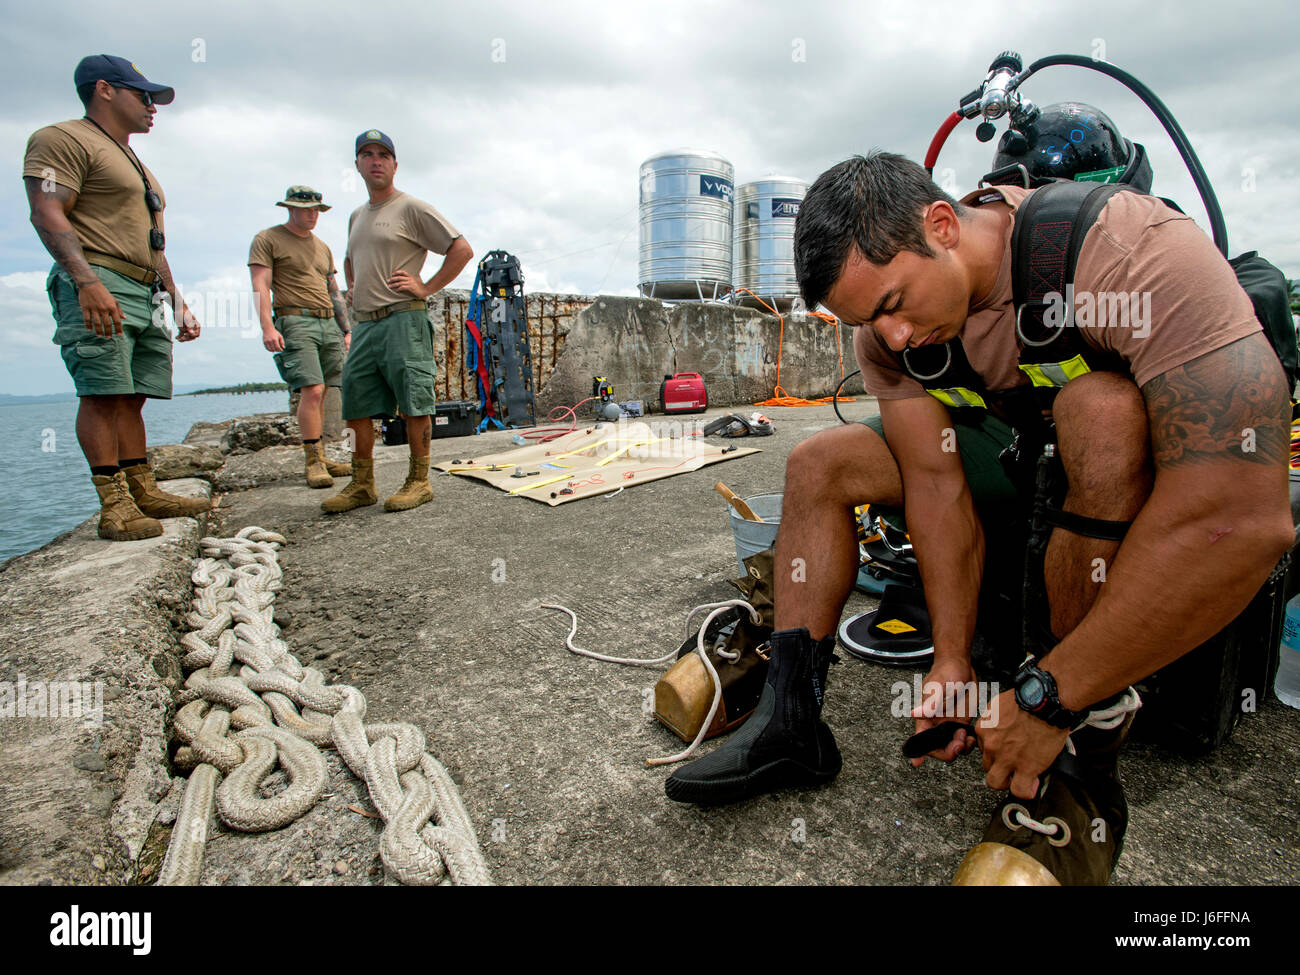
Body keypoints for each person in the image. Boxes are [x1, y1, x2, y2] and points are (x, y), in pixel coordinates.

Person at [665, 151, 1293, 884]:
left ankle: (1076, 771)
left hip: (1129, 478)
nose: (891, 336)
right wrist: (952, 663)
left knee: (1100, 410)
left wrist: (1046, 697)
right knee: (819, 463)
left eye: (895, 302)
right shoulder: (890, 339)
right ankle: (791, 722)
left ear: (942, 225)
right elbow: (935, 487)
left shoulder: (1122, 250)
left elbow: (1244, 518)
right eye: (871, 319)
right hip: (1017, 462)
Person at [24, 54, 208, 541]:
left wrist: (176, 299)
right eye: (143, 95)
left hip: (143, 286)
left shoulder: (135, 161)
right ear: (104, 90)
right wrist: (87, 283)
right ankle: (115, 505)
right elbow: (47, 211)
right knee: (103, 392)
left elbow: (152, 240)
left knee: (133, 394)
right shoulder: (60, 139)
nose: (153, 106)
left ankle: (141, 487)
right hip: (99, 277)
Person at [322, 129, 474, 514]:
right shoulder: (357, 215)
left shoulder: (411, 208)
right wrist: (352, 288)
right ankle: (362, 484)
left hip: (403, 319)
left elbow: (462, 249)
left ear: (394, 164)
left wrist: (425, 287)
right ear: (357, 163)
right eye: (367, 154)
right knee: (355, 403)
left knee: (415, 400)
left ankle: (419, 480)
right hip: (366, 325)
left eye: (383, 155)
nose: (375, 160)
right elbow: (350, 259)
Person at [249, 185, 354, 488]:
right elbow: (260, 283)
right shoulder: (268, 239)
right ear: (289, 208)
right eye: (305, 209)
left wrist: (345, 329)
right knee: (312, 389)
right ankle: (313, 462)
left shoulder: (322, 246)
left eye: (316, 211)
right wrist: (268, 327)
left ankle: (321, 454)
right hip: (294, 318)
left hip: (327, 323)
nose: (312, 216)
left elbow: (333, 291)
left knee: (326, 391)